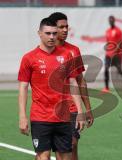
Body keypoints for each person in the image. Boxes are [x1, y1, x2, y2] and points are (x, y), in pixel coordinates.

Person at [18, 17, 85, 160]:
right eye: (48, 33)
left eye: (54, 33)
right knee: (44, 156)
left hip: (63, 117)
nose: (52, 37)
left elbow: (73, 83)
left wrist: (80, 111)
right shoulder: (29, 58)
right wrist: (22, 116)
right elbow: (23, 87)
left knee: (65, 157)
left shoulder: (66, 55)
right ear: (39, 33)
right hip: (40, 117)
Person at [49, 12, 94, 160]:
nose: (65, 30)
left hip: (72, 108)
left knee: (73, 144)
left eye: (67, 26)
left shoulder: (73, 50)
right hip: (50, 109)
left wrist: (88, 109)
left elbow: (80, 81)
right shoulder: (46, 51)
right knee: (55, 151)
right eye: (61, 27)